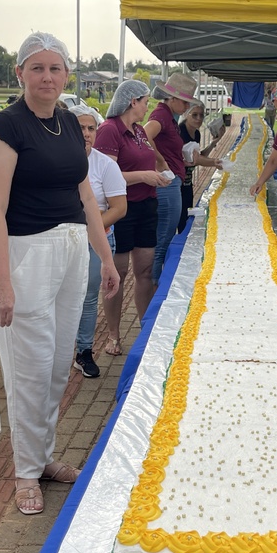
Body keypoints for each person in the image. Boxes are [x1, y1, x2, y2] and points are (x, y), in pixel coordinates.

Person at [0, 32, 120, 516]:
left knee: (59, 364)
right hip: (27, 254)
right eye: (36, 68)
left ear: (66, 75)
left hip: (72, 249)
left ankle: (44, 458)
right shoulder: (5, 126)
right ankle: (24, 473)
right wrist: (1, 284)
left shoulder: (65, 121)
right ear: (20, 73)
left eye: (54, 68)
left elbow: (86, 198)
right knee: (30, 370)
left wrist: (103, 256)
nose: (46, 77)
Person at [94, 79, 168, 355]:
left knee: (145, 272)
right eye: (145, 101)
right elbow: (104, 176)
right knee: (118, 274)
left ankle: (145, 328)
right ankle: (113, 335)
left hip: (146, 207)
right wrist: (143, 176)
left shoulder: (138, 131)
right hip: (120, 210)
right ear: (132, 101)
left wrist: (157, 175)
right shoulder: (109, 131)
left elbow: (149, 161)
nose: (148, 107)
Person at [68, 104, 127, 379]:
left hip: (96, 240)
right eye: (80, 127)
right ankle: (58, 351)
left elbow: (118, 208)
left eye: (92, 128)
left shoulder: (105, 165)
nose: (87, 133)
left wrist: (88, 228)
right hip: (62, 241)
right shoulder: (57, 161)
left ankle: (84, 351)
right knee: (61, 297)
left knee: (89, 297)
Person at [145, 73, 201, 283]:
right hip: (166, 185)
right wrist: (160, 160)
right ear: (173, 98)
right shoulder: (160, 115)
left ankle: (155, 282)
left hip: (172, 179)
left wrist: (179, 161)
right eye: (185, 102)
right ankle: (154, 286)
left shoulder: (169, 117)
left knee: (164, 240)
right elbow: (143, 135)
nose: (187, 107)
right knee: (163, 242)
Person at [177, 101, 223, 233]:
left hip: (187, 183)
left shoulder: (196, 133)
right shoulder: (181, 133)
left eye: (201, 115)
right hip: (177, 183)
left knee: (185, 218)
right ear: (186, 114)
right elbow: (195, 159)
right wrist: (214, 162)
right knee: (177, 219)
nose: (199, 119)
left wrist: (214, 142)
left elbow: (200, 156)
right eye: (194, 115)